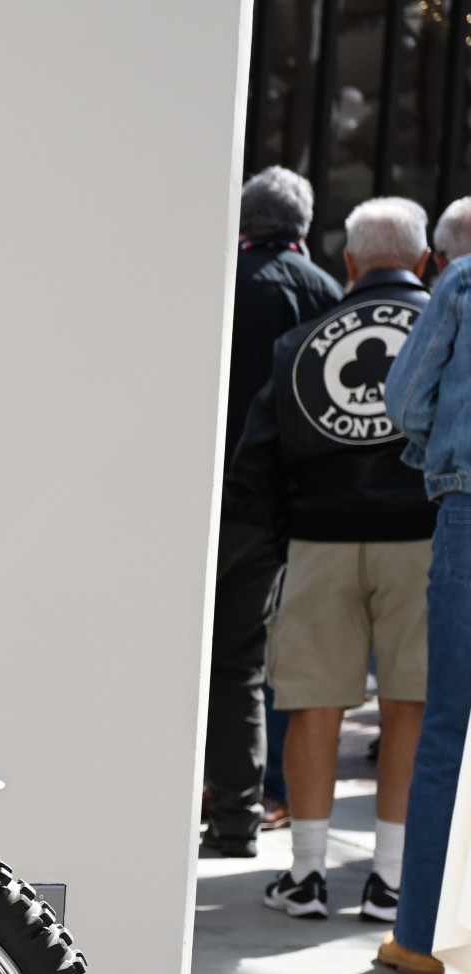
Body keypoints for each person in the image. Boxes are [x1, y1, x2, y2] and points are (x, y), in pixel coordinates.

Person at [230, 197, 432, 923]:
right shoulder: (442, 331)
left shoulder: (302, 342)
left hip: (319, 538)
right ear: (425, 261)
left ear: (348, 261)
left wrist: (285, 535)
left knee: (312, 703)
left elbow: (256, 457)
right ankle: (389, 881)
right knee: (410, 703)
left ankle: (307, 874)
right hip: (421, 538)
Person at [204, 169, 349, 857]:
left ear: (245, 222)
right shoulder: (327, 296)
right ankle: (238, 817)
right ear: (303, 228)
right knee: (241, 665)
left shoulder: (216, 280)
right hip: (273, 514)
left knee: (169, 655)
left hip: (201, 503)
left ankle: (161, 804)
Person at [378, 198, 471, 974]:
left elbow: (404, 398)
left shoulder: (462, 282)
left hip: (469, 510)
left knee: (447, 728)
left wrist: (436, 457)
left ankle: (417, 939)